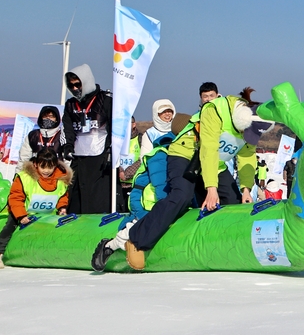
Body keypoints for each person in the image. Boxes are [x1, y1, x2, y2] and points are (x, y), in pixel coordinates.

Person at [95, 88, 261, 270]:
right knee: (182, 196)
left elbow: (247, 157)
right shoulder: (215, 110)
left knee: (233, 200)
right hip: (185, 154)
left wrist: (246, 188)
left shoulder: (251, 121)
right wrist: (211, 188)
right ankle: (133, 239)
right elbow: (208, 149)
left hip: (215, 163)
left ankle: (231, 246)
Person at [0, 149, 71, 269]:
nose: (46, 171)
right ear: (36, 164)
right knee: (9, 226)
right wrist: (21, 215)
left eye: (50, 167)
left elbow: (63, 195)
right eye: (43, 167)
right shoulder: (25, 178)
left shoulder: (61, 179)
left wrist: (62, 207)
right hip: (23, 211)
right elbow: (15, 197)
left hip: (47, 214)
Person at [61, 64, 113, 214]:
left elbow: (116, 127)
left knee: (97, 199)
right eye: (71, 86)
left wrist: (111, 150)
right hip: (79, 157)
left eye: (78, 84)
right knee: (75, 197)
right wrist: (67, 146)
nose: (75, 88)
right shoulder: (70, 104)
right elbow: (67, 128)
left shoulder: (106, 100)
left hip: (100, 157)